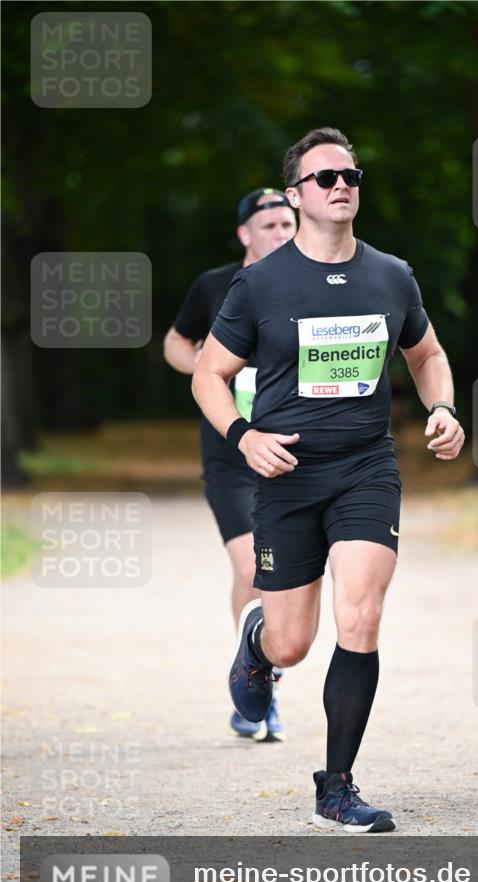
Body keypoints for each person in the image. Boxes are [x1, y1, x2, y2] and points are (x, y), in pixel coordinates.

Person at [193, 127, 464, 832]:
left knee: (363, 616)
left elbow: (427, 353)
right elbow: (208, 374)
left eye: (350, 174)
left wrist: (441, 407)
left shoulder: (390, 275)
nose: (341, 184)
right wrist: (242, 435)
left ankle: (336, 787)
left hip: (364, 467)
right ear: (295, 194)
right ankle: (256, 647)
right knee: (292, 644)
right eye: (323, 178)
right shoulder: (260, 283)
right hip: (286, 472)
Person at [164, 187, 297, 741]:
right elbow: (175, 342)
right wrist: (199, 364)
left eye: (288, 225)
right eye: (269, 226)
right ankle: (257, 687)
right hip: (229, 451)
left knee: (284, 579)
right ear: (245, 233)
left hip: (290, 451)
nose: (280, 234)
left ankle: (259, 673)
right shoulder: (215, 286)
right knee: (250, 570)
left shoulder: (308, 283)